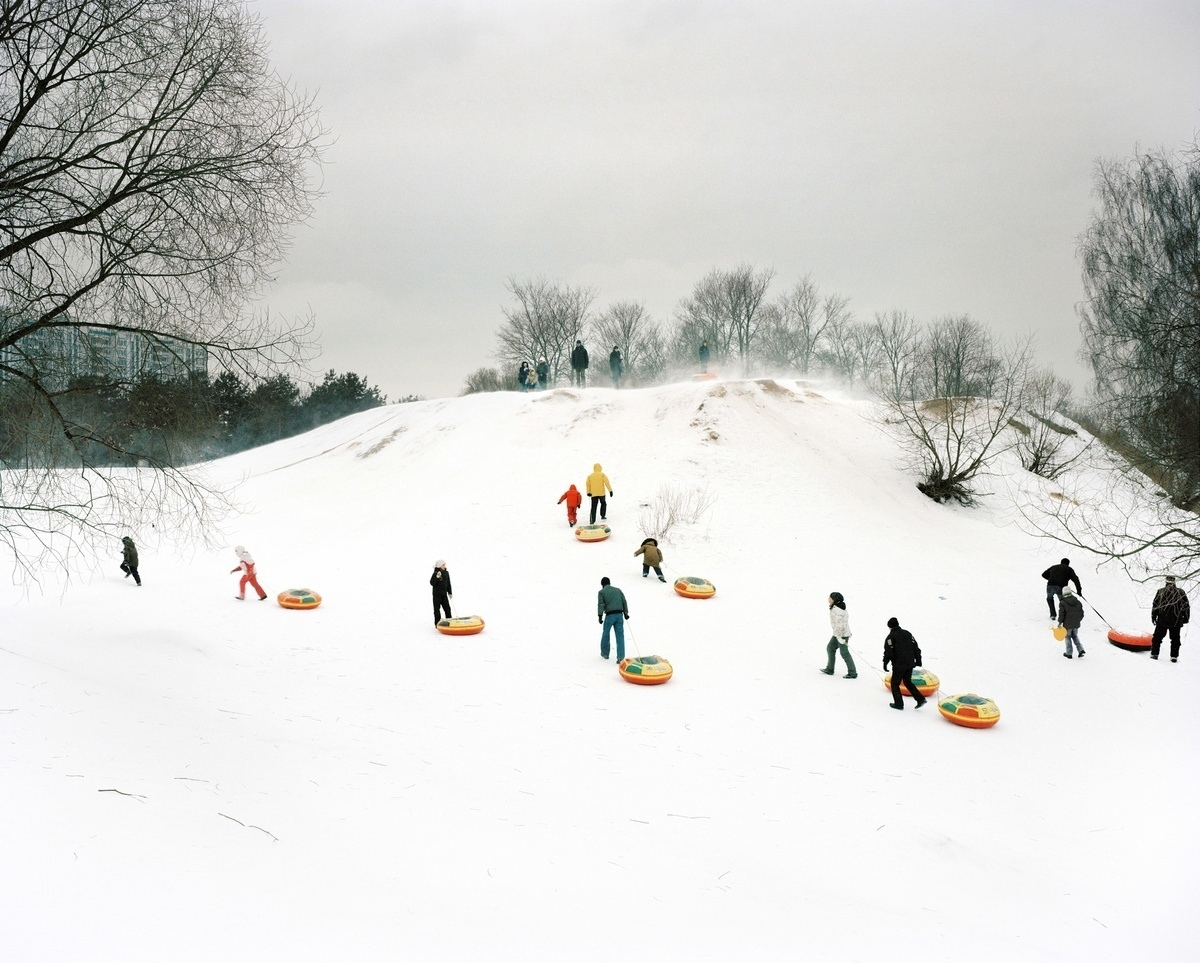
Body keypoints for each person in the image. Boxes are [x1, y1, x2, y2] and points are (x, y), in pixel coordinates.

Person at [883, 617, 925, 709]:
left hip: (899, 664)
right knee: (907, 681)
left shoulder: (891, 637)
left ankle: (899, 704)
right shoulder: (908, 634)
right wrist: (918, 660)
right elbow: (916, 648)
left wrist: (885, 663)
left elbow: (888, 652)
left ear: (890, 627)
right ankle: (920, 699)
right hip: (909, 663)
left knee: (895, 684)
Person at [1150, 575, 1191, 662]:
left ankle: (1154, 654)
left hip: (1162, 620)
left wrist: (1153, 616)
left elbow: (1155, 606)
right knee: (1175, 639)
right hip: (1176, 620)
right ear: (1174, 582)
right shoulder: (1181, 592)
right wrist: (1186, 618)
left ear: (1166, 582)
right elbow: (1186, 607)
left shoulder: (1160, 592)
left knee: (1157, 638)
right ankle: (1174, 656)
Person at [820, 592, 857, 678]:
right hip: (837, 634)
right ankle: (830, 669)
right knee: (830, 648)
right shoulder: (836, 607)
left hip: (842, 634)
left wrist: (840, 637)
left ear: (834, 599)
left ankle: (852, 672)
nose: (828, 599)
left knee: (844, 653)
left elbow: (840, 625)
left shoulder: (838, 610)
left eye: (830, 598)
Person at [597, 576, 630, 661]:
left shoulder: (602, 592)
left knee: (606, 634)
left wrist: (600, 616)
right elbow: (624, 601)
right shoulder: (618, 590)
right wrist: (626, 613)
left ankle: (605, 653)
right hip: (619, 615)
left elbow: (601, 604)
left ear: (602, 584)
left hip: (609, 616)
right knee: (620, 636)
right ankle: (620, 657)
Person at [1058, 586, 1086, 659]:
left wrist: (1060, 622)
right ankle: (1081, 650)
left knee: (1067, 637)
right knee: (1075, 636)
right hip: (1076, 624)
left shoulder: (1062, 603)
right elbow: (1082, 613)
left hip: (1067, 625)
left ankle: (1069, 653)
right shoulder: (1078, 602)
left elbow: (1061, 614)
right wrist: (1078, 620)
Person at [430, 560, 453, 626]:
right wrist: (437, 577)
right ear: (439, 566)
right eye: (443, 565)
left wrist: (450, 592)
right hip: (436, 595)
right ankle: (437, 624)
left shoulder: (446, 573)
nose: (444, 566)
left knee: (447, 609)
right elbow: (432, 583)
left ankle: (449, 622)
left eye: (444, 565)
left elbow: (448, 583)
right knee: (437, 610)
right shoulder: (436, 573)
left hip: (444, 595)